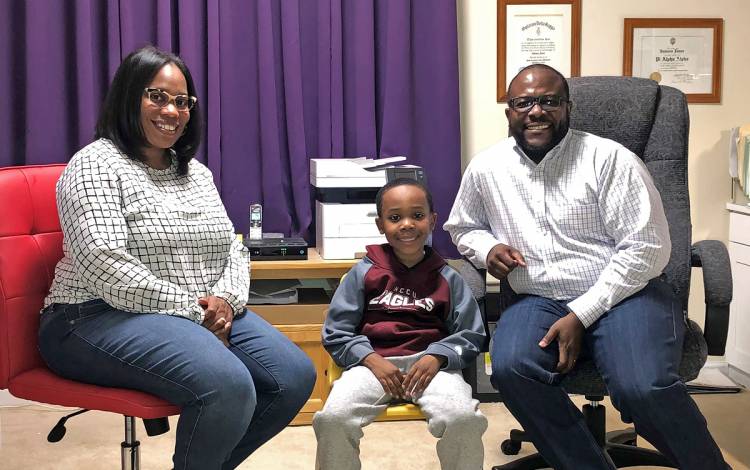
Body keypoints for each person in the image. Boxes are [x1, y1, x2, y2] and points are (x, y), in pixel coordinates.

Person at [38, 45, 316, 470]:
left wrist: (225, 300)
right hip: (90, 317)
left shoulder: (196, 172)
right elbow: (103, 262)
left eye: (182, 101)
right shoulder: (94, 165)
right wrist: (195, 313)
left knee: (294, 376)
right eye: (157, 96)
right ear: (129, 97)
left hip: (196, 312)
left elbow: (233, 247)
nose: (172, 110)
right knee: (227, 384)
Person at [444, 64, 729, 470]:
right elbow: (463, 226)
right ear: (509, 112)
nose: (536, 111)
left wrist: (582, 312)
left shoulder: (610, 159)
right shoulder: (486, 168)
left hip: (627, 292)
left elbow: (646, 250)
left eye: (549, 101)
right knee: (510, 368)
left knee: (642, 387)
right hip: (539, 296)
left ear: (567, 108)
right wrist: (486, 248)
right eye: (523, 102)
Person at [313, 178, 488, 470]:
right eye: (395, 218)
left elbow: (471, 334)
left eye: (417, 216)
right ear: (381, 225)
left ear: (433, 221)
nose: (407, 224)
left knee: (464, 418)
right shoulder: (363, 273)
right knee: (333, 418)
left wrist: (437, 356)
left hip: (431, 369)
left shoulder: (449, 277)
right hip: (373, 367)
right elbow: (336, 332)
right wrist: (371, 359)